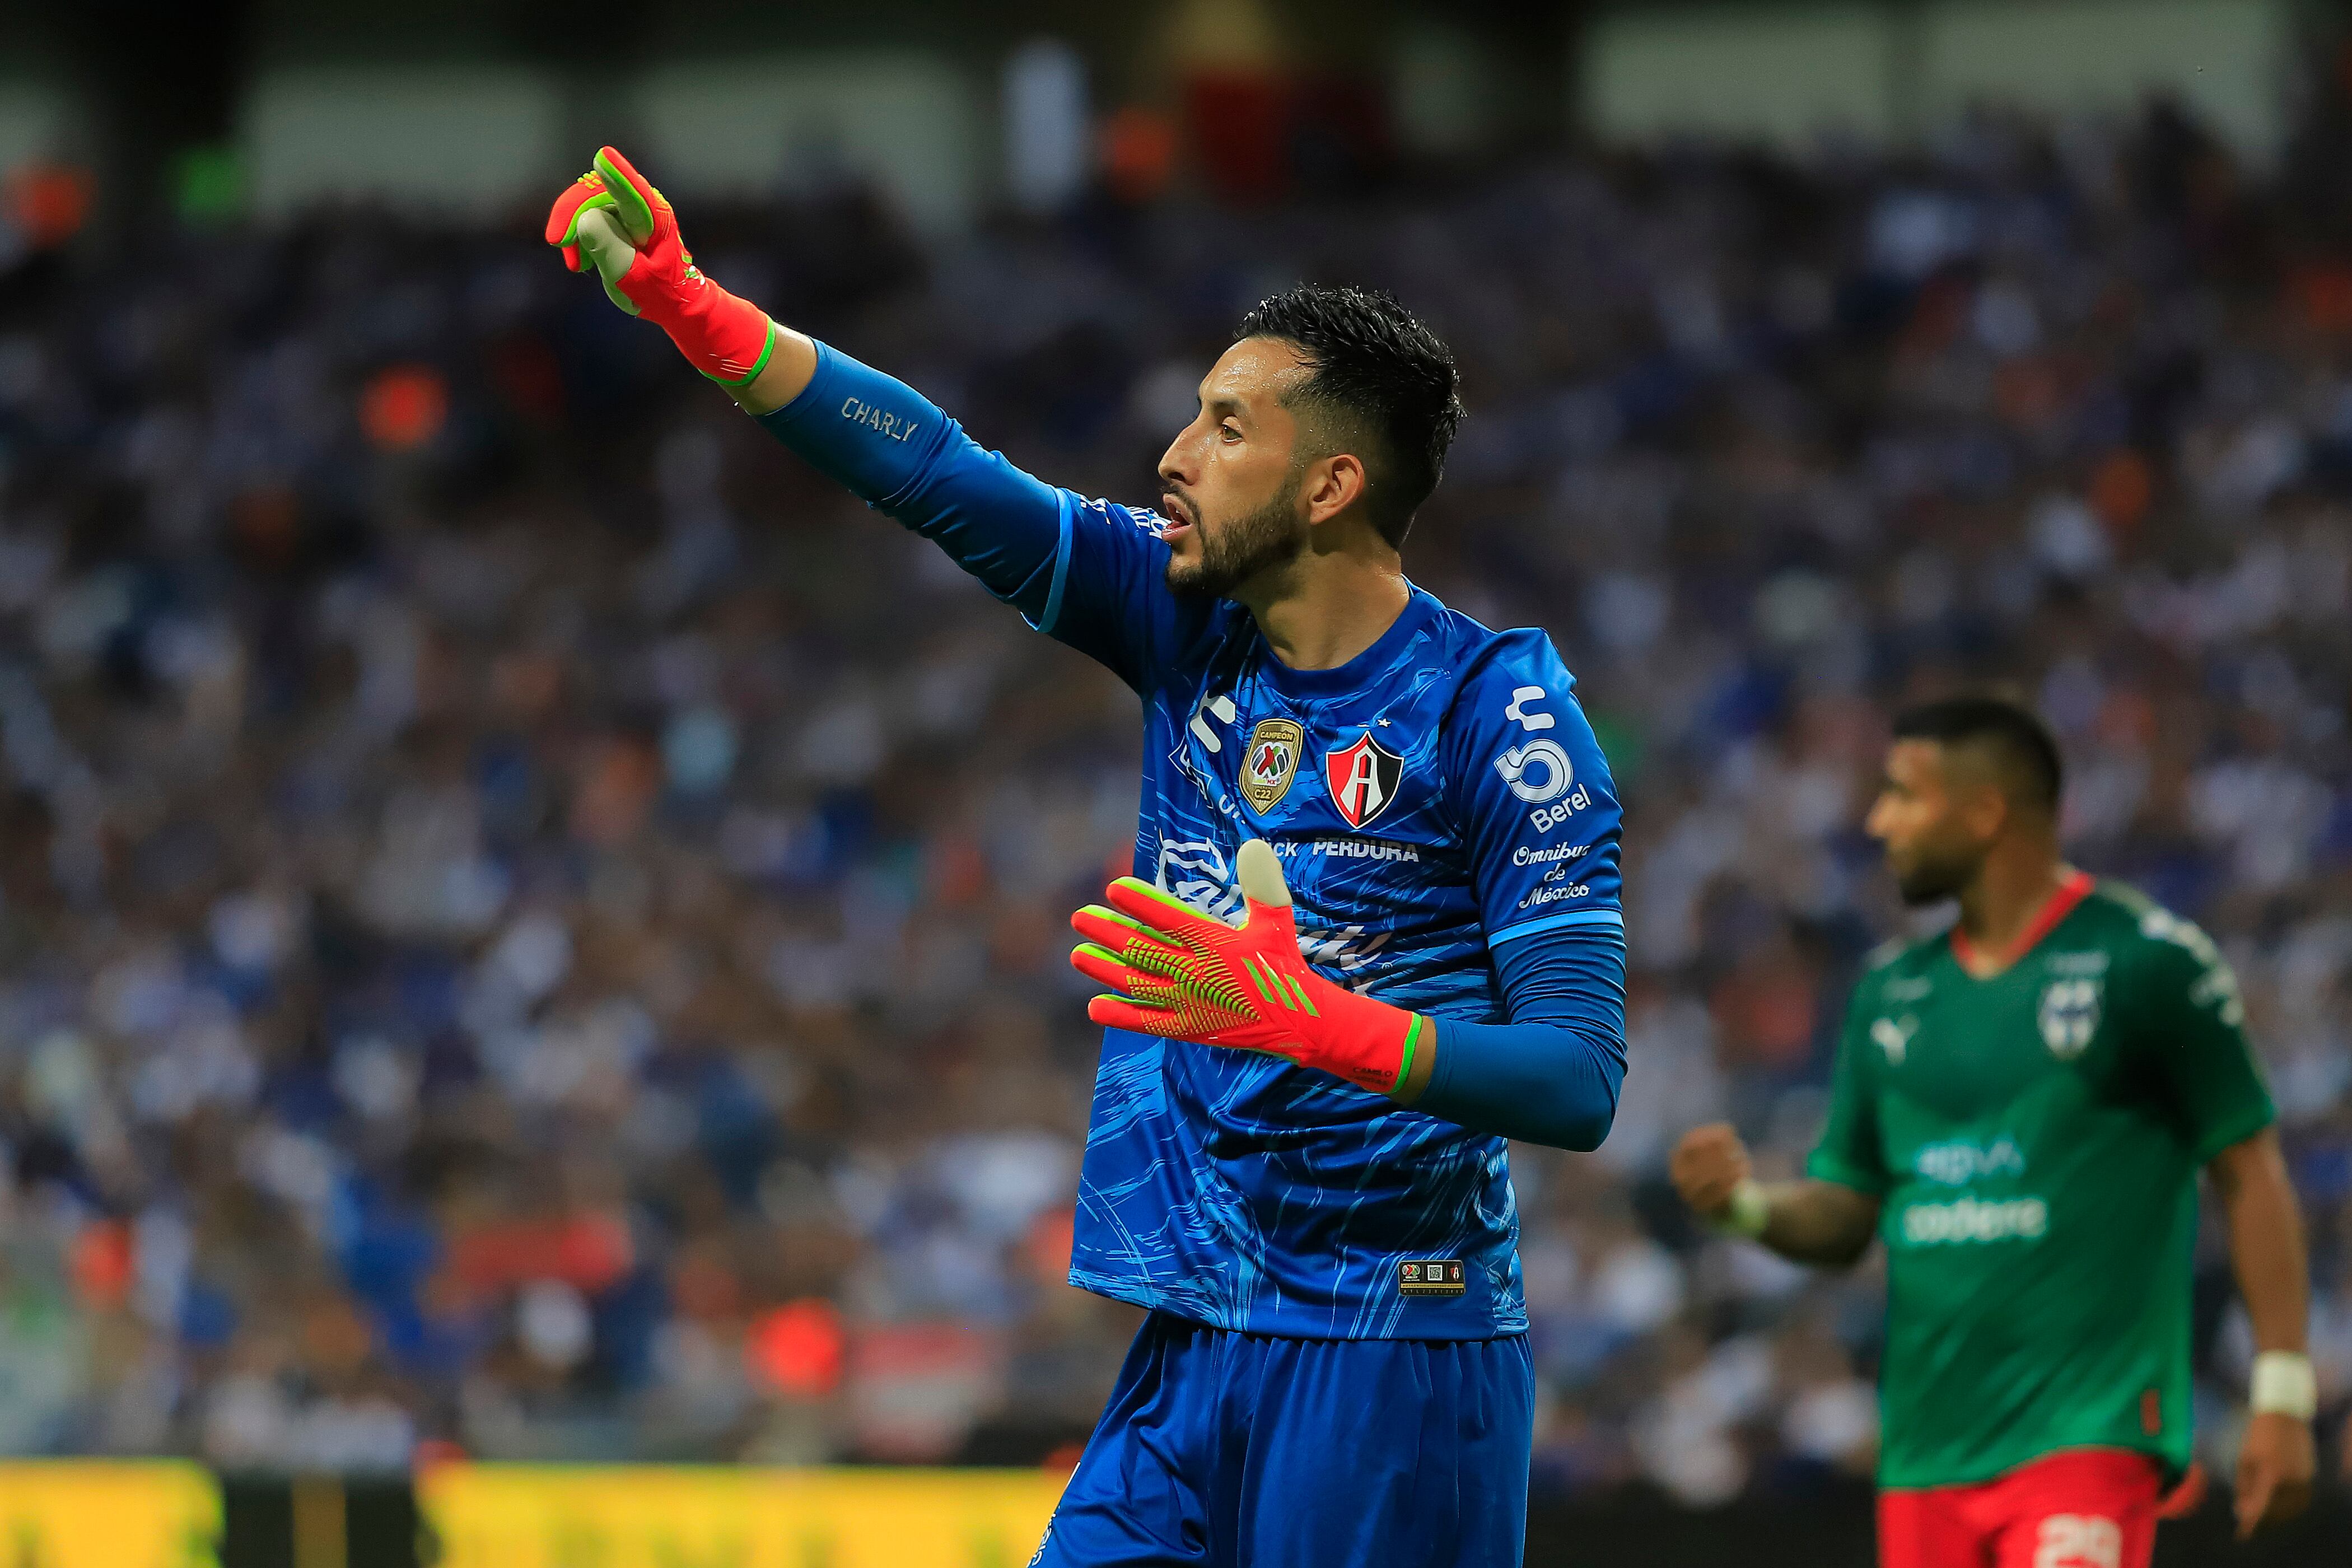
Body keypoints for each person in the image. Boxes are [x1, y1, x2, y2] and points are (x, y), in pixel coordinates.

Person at [548, 150, 1628, 1565]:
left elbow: (1578, 1079)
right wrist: (691, 306)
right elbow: (935, 470)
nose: (1174, 456)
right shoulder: (1181, 617)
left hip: (1393, 1348)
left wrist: (1310, 1018)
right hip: (1195, 1342)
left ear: (1329, 485)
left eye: (1227, 427)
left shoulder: (1500, 714)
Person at [1670, 696, 2318, 1567]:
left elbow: (2251, 1169)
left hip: (2086, 1436)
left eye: (1904, 794)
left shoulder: (2148, 963)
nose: (1877, 819)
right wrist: (1745, 1208)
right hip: (1928, 1454)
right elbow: (1847, 1212)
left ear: (1984, 813)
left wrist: (2281, 1391)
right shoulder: (1891, 993)